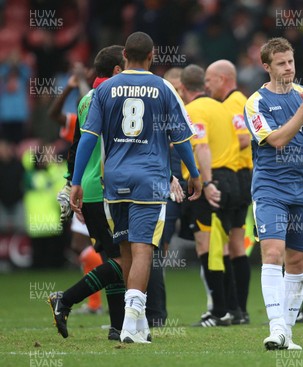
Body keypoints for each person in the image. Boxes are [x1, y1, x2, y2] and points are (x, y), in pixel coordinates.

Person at [69, 32, 203, 343]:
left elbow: (87, 138)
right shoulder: (163, 87)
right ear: (152, 56)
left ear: (125, 54)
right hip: (149, 177)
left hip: (114, 180)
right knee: (143, 248)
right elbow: (181, 137)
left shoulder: (103, 91)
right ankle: (131, 322)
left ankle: (139, 322)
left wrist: (76, 181)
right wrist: (193, 173)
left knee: (126, 247)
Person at [244, 37, 303, 350]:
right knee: (271, 254)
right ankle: (276, 326)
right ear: (266, 66)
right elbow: (278, 140)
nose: (288, 68)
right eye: (281, 63)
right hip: (271, 189)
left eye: (291, 62)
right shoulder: (255, 102)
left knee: (298, 261)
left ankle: (287, 333)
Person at [48, 45, 127, 340]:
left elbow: (76, 145)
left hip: (90, 189)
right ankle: (65, 299)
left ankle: (117, 328)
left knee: (113, 259)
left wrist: (72, 183)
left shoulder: (86, 100)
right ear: (118, 70)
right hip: (109, 190)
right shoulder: (115, 97)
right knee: (124, 260)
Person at [178, 64, 239, 327]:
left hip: (208, 181)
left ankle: (218, 312)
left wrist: (207, 181)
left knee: (207, 247)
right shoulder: (221, 107)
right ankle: (230, 308)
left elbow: (201, 146)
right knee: (221, 247)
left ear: (182, 88)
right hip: (230, 178)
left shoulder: (193, 110)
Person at [205, 59, 252, 324]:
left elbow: (245, 137)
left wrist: (220, 149)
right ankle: (238, 310)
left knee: (222, 243)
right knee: (235, 244)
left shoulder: (234, 103)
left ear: (223, 79)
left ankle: (230, 308)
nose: (207, 86)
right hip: (241, 177)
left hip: (234, 175)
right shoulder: (238, 101)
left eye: (210, 81)